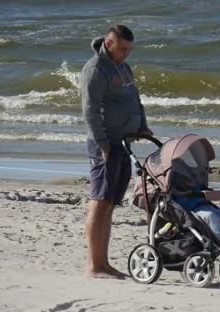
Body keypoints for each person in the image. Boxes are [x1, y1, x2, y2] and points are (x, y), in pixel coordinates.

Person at [81, 25, 152, 279]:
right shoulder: (95, 69)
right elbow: (90, 111)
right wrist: (103, 145)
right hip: (106, 145)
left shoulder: (123, 67)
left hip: (123, 143)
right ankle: (93, 265)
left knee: (110, 204)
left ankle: (104, 263)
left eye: (129, 50)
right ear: (109, 44)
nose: (126, 54)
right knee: (99, 203)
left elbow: (135, 98)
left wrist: (142, 125)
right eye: (122, 49)